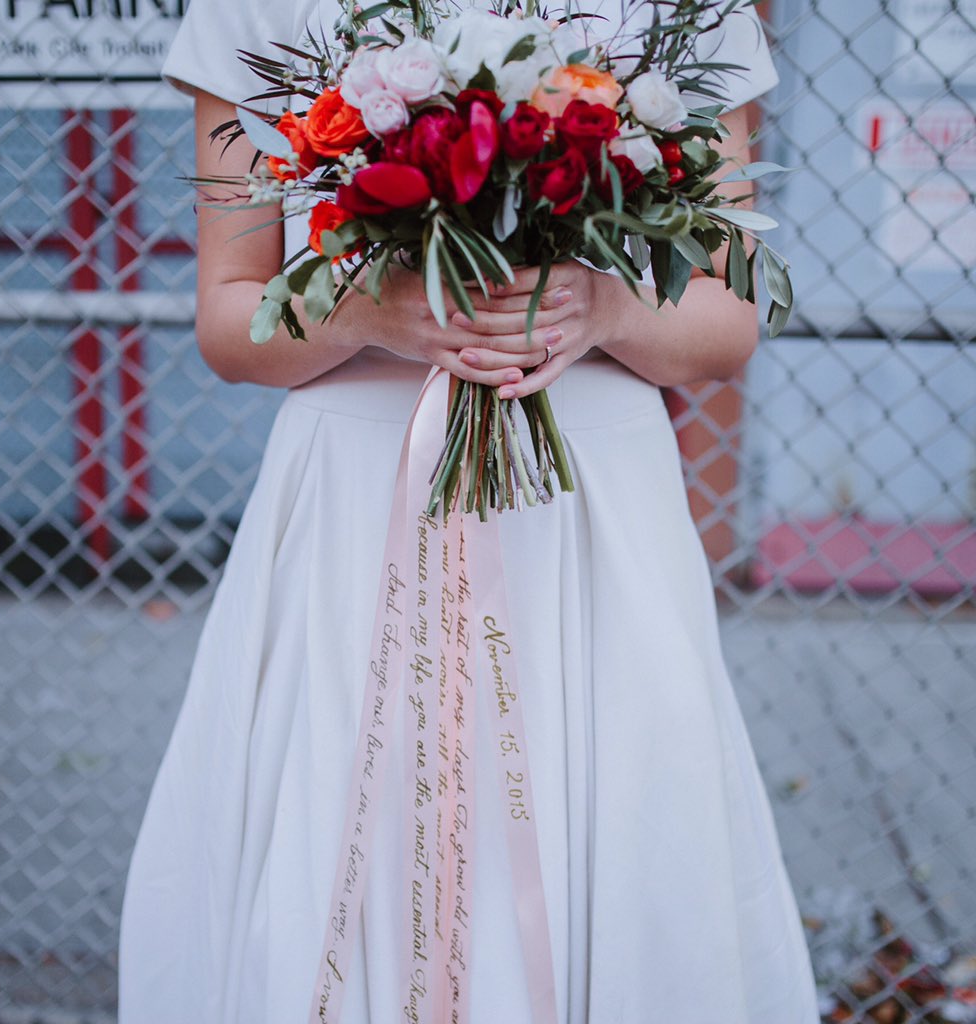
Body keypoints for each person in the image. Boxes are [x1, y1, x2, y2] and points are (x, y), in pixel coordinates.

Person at [118, 1, 822, 1021]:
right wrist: (369, 306)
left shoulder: (687, 12)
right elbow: (232, 315)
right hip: (359, 504)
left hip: (587, 507)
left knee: (613, 834)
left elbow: (723, 321)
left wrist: (605, 306)